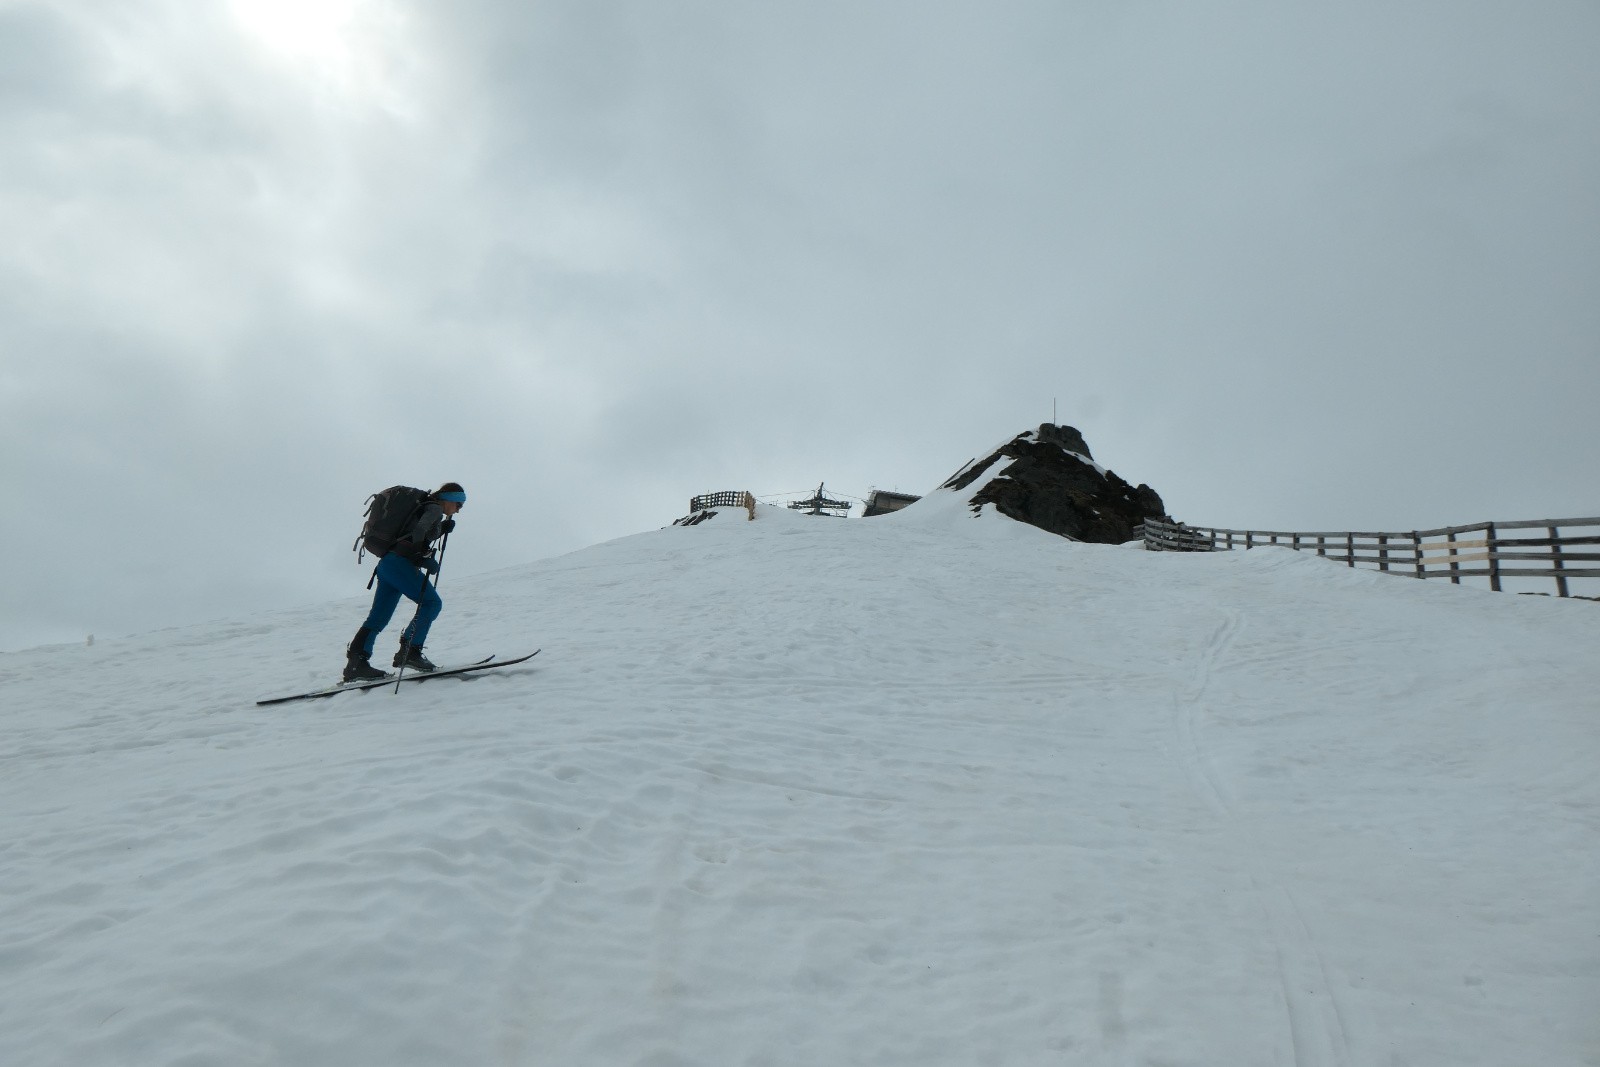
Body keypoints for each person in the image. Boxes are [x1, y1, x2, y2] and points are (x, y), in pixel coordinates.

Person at [343, 482, 466, 682]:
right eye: (459, 504)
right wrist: (421, 558)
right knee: (432, 603)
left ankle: (356, 665)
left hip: (387, 565)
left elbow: (417, 532)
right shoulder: (434, 508)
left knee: (378, 618)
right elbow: (419, 532)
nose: (458, 510)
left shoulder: (425, 508)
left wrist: (442, 529)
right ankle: (410, 651)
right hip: (400, 564)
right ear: (449, 499)